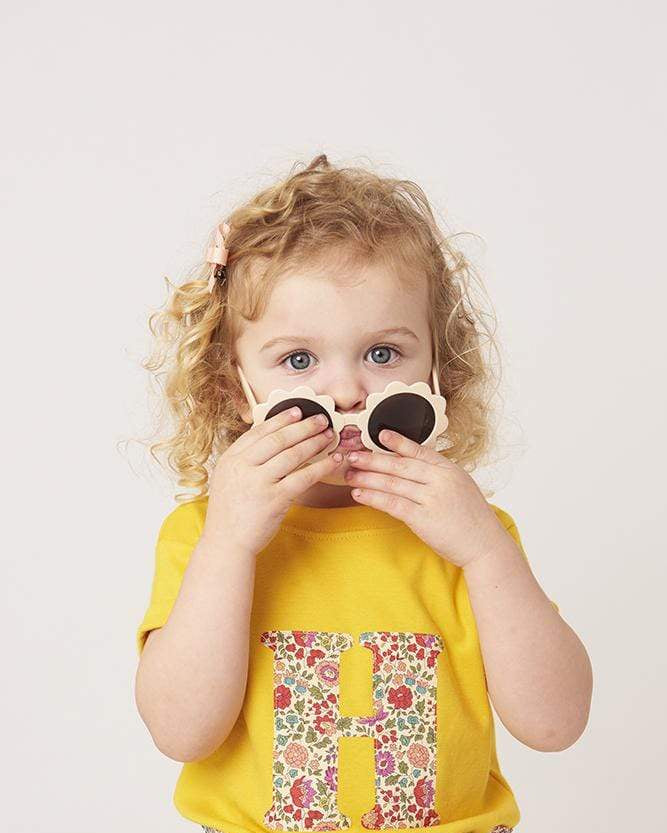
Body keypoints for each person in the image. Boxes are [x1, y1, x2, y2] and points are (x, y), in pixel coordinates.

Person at [133, 153, 592, 833]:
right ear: (235, 387)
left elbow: (555, 723)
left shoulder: (469, 534)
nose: (347, 390)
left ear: (438, 367)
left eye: (382, 353)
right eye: (298, 359)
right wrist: (228, 544)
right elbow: (181, 732)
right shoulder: (204, 536)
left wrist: (486, 554)